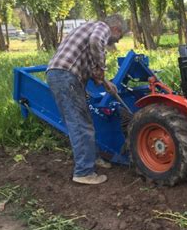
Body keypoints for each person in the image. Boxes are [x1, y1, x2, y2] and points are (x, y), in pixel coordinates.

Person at [46, 14, 128, 185]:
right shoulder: (101, 27)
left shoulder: (87, 27)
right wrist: (102, 67)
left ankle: (93, 158)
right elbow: (96, 41)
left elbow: (89, 65)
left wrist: (105, 82)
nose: (116, 42)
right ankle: (83, 172)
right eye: (119, 38)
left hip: (62, 74)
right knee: (80, 125)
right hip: (66, 76)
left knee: (85, 122)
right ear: (116, 29)